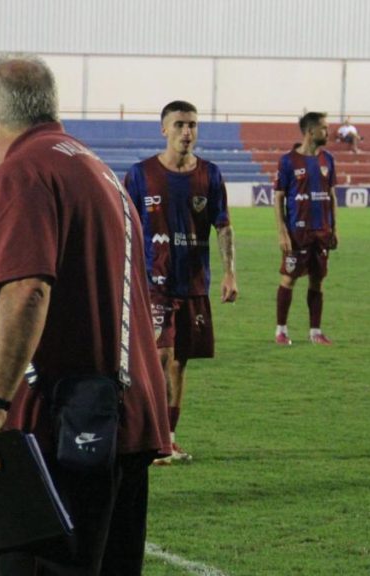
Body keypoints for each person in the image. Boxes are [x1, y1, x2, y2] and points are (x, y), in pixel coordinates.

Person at [0, 54, 170, 575]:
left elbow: (28, 289)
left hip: (55, 434)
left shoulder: (23, 171)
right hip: (113, 423)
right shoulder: (95, 169)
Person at [123, 100, 238, 466]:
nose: (187, 132)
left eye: (192, 125)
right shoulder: (140, 175)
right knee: (159, 356)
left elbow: (223, 225)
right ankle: (152, 438)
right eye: (179, 125)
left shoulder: (210, 174)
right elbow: (125, 226)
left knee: (179, 363)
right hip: (152, 282)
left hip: (193, 284)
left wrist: (229, 272)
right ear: (164, 129)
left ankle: (169, 440)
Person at [274, 112, 338, 346]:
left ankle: (315, 332)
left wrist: (334, 228)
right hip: (297, 234)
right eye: (324, 127)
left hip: (321, 232)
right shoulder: (288, 161)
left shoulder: (328, 159)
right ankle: (281, 330)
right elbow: (279, 198)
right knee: (288, 279)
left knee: (317, 281)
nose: (327, 131)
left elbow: (331, 196)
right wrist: (282, 232)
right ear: (311, 132)